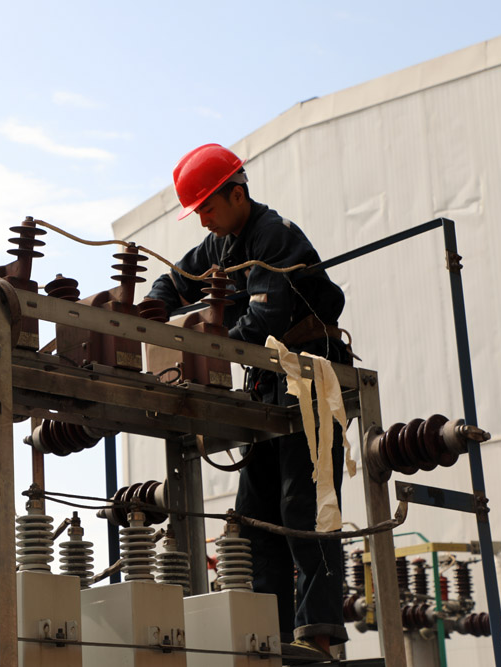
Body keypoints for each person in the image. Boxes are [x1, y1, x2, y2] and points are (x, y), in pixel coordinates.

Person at [143, 144, 351, 659]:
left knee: (305, 506)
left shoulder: (272, 236)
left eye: (207, 208)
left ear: (237, 194)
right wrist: (151, 309)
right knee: (255, 517)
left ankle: (318, 637)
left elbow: (263, 321)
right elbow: (175, 280)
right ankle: (269, 638)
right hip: (267, 383)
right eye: (198, 212)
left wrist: (199, 348)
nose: (203, 221)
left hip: (308, 376)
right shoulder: (221, 244)